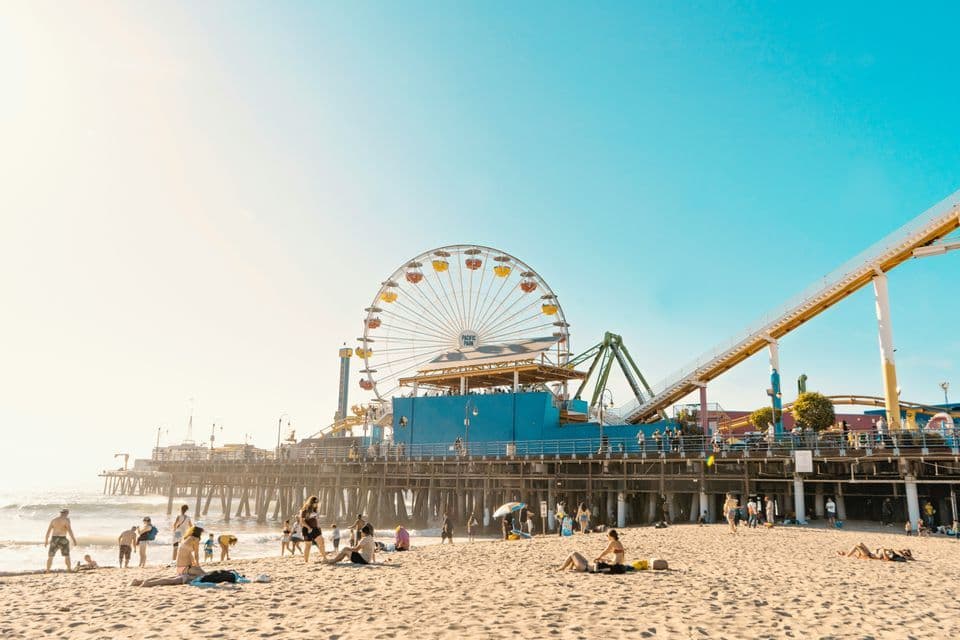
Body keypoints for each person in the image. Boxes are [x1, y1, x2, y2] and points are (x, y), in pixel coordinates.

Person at [44, 509, 78, 573]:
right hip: (63, 539)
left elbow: (48, 532)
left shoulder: (53, 520)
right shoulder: (66, 520)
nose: (68, 514)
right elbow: (70, 531)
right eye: (67, 513)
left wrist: (46, 541)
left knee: (50, 556)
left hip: (54, 539)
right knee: (67, 555)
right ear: (66, 513)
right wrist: (74, 540)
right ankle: (69, 569)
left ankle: (47, 571)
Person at [300, 497, 326, 563]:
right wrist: (309, 528)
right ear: (311, 502)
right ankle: (306, 561)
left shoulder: (315, 510)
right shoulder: (305, 510)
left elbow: (315, 519)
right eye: (315, 503)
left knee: (321, 542)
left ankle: (325, 558)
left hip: (315, 528)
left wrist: (318, 527)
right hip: (307, 529)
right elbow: (302, 522)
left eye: (317, 503)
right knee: (308, 546)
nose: (316, 504)